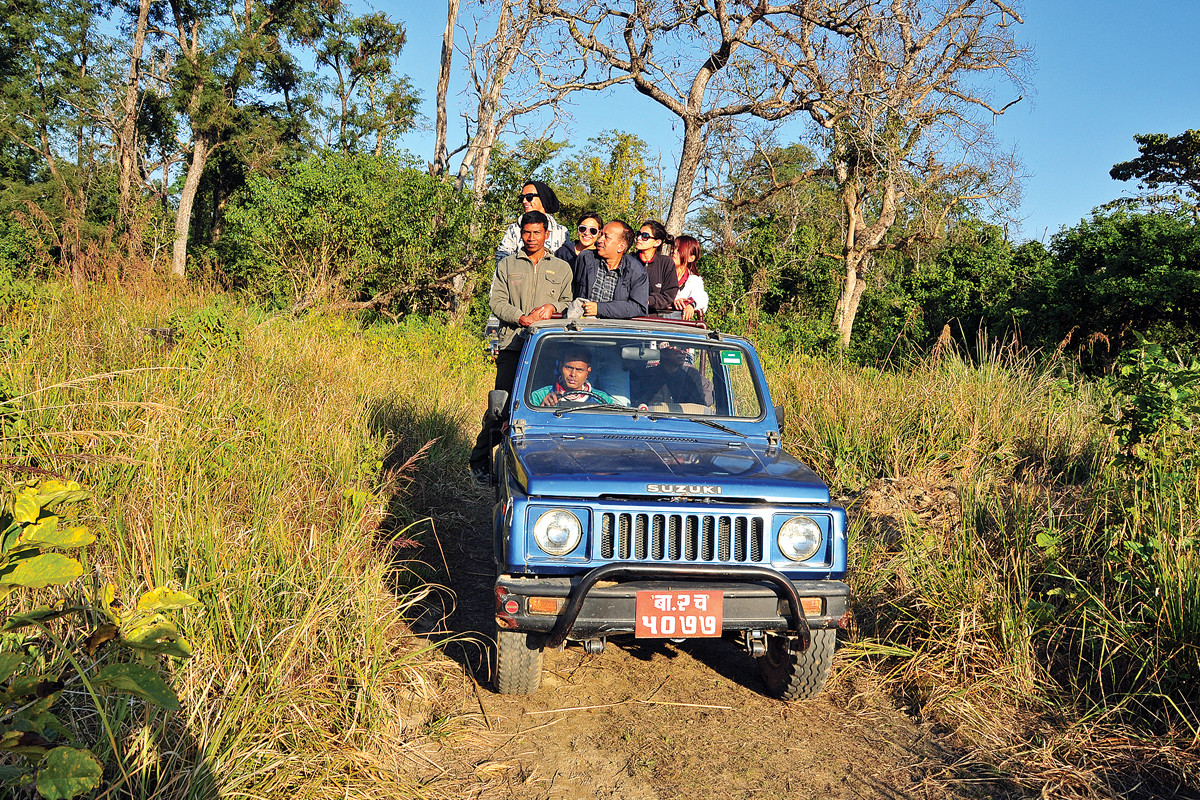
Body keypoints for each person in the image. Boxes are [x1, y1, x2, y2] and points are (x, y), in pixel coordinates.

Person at [470, 211, 574, 482]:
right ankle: (480, 462)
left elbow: (569, 303)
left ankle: (533, 469)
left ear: (546, 234)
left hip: (548, 349)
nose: (531, 238)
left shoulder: (562, 268)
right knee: (501, 407)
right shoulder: (507, 266)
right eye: (526, 232)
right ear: (521, 233)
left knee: (545, 406)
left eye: (536, 232)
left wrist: (553, 307)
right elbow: (496, 301)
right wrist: (520, 317)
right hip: (513, 344)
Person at [569, 221, 649, 319]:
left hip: (613, 331)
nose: (599, 240)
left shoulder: (636, 272)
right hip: (583, 327)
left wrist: (599, 308)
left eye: (606, 237)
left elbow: (639, 307)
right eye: (601, 234)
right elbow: (572, 290)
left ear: (621, 247)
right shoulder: (585, 258)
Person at [495, 180, 569, 264]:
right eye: (522, 198)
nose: (524, 201)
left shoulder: (561, 232)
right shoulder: (514, 229)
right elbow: (501, 261)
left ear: (543, 198)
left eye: (529, 197)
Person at [529, 347, 615, 406]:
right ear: (560, 367)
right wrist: (543, 409)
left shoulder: (603, 399)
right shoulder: (540, 396)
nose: (573, 374)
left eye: (579, 370)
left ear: (588, 372)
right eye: (569, 368)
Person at [634, 343, 712, 408]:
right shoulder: (648, 375)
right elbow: (641, 404)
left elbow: (699, 406)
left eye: (684, 349)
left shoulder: (691, 375)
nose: (683, 352)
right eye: (677, 348)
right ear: (663, 353)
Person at [633, 219, 678, 314]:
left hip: (654, 320)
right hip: (627, 316)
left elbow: (669, 295)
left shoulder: (666, 263)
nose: (639, 238)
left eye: (645, 236)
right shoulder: (629, 260)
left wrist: (648, 301)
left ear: (657, 242)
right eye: (638, 234)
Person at [670, 235, 709, 320]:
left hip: (678, 327)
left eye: (679, 250)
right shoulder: (660, 272)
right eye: (674, 248)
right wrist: (672, 299)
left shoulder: (694, 280)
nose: (674, 251)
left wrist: (691, 305)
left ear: (691, 258)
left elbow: (701, 296)